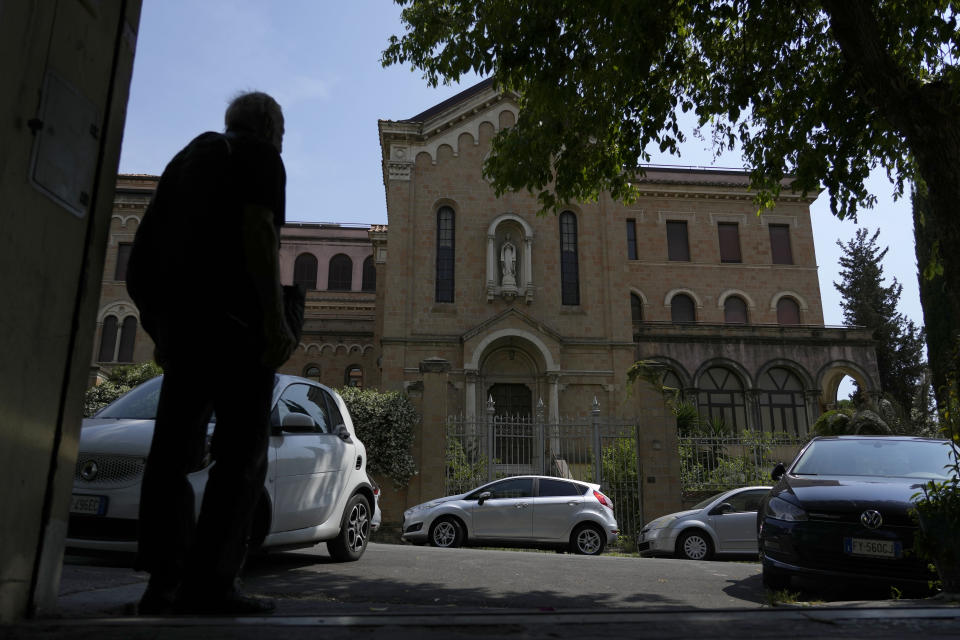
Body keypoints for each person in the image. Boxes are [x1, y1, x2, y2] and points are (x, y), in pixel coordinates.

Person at [126, 91, 296, 615]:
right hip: (239, 333)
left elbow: (144, 256)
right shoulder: (260, 157)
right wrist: (274, 321)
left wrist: (162, 329)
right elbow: (258, 234)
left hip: (186, 334)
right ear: (270, 128)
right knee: (240, 458)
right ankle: (213, 584)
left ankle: (164, 583)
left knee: (171, 455)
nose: (282, 141)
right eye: (283, 132)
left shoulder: (187, 159)